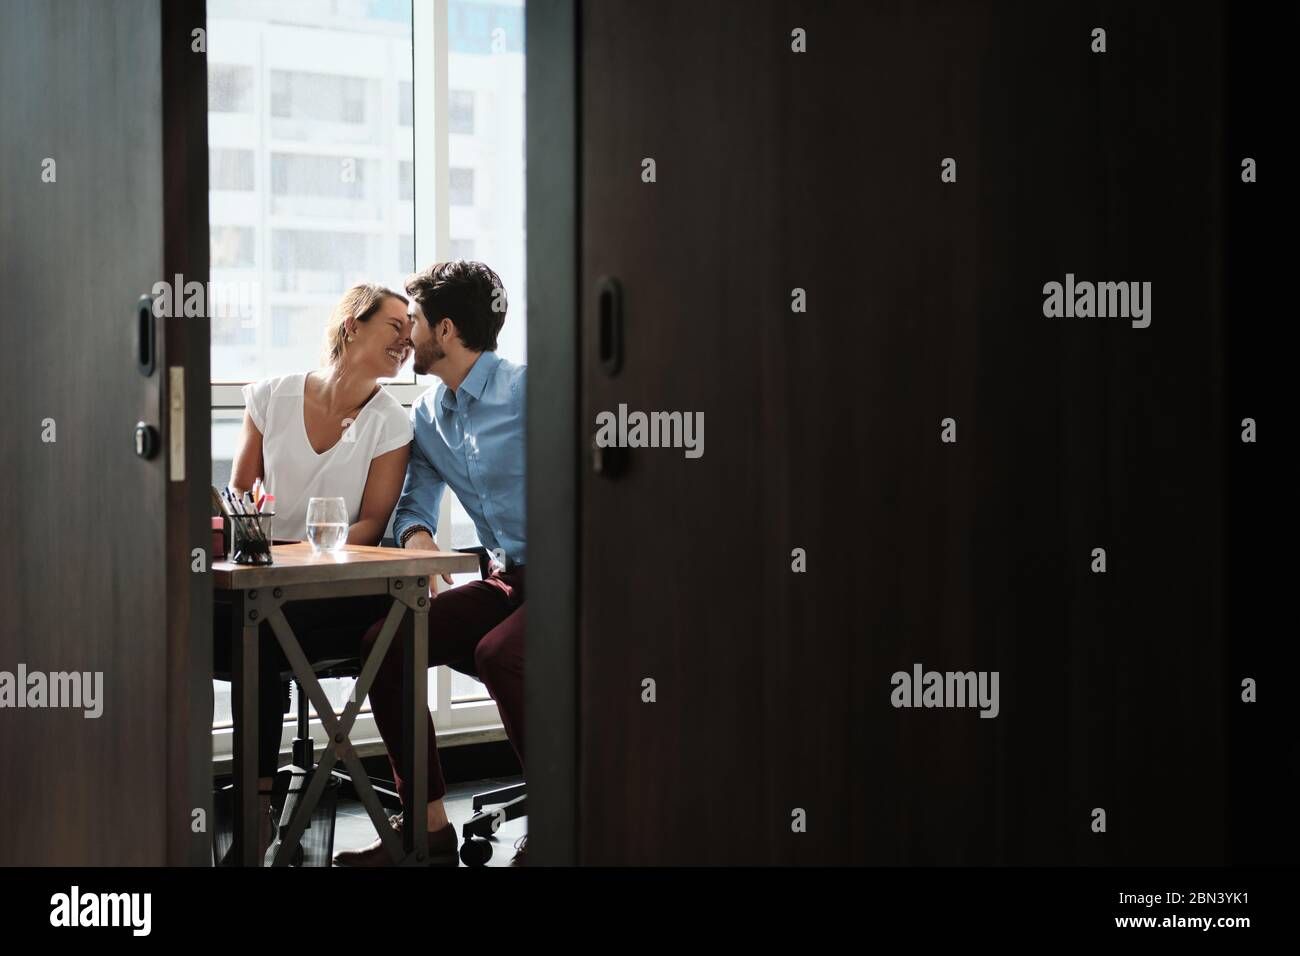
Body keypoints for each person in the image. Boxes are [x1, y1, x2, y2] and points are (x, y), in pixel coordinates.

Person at [213, 283, 415, 863]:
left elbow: (372, 524)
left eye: (411, 332)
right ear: (353, 323)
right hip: (263, 575)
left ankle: (256, 806)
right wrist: (262, 547)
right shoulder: (272, 396)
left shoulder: (390, 423)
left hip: (340, 585)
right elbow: (242, 499)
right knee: (204, 620)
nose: (406, 342)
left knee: (262, 628)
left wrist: (296, 553)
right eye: (394, 327)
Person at [333, 260, 527, 867]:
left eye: (410, 321)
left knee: (502, 653)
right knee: (387, 641)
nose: (403, 336)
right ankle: (427, 831)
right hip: (509, 579)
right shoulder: (428, 415)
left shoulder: (529, 391)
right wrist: (415, 532)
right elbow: (415, 499)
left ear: (443, 330)